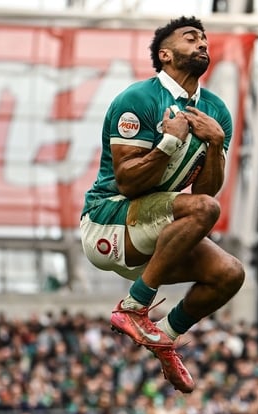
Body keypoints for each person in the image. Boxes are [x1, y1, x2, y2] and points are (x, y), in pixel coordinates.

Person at [79, 16, 245, 393]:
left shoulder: (215, 112)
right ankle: (134, 307)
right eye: (191, 38)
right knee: (203, 210)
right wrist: (168, 144)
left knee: (230, 275)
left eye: (204, 38)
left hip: (153, 235)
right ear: (165, 54)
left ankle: (164, 338)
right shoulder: (138, 98)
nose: (202, 43)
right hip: (109, 220)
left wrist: (216, 145)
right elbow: (128, 181)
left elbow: (207, 190)